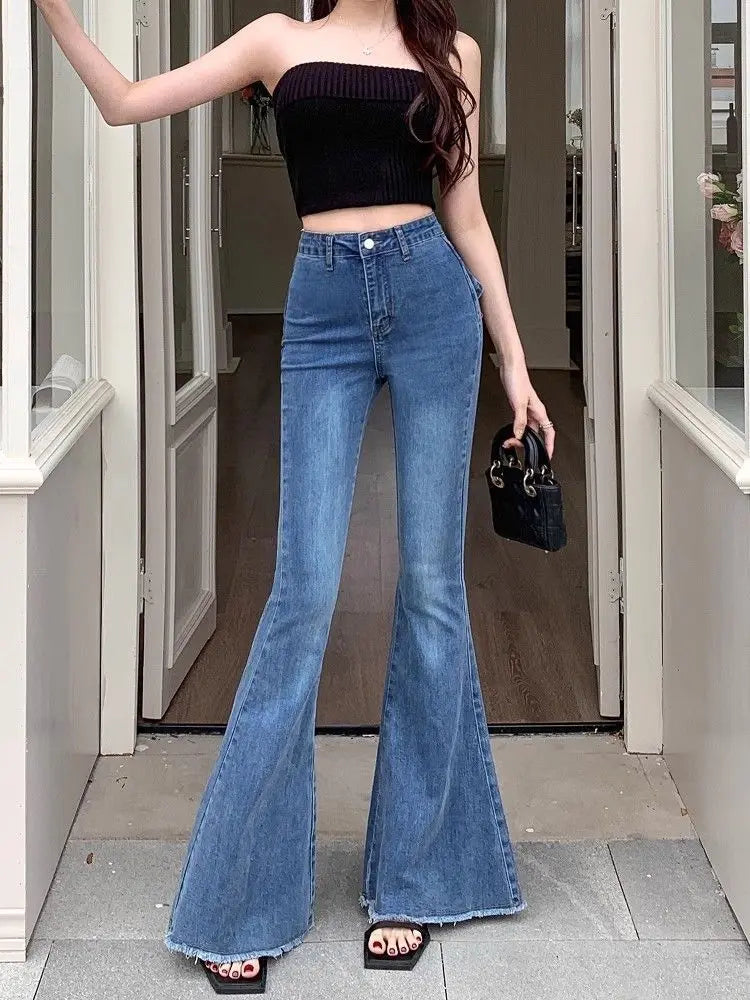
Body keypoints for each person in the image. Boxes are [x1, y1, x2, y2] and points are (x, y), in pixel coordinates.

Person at [36, 0, 555, 992]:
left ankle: (416, 875)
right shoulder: (279, 40)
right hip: (322, 303)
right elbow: (124, 103)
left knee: (435, 588)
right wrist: (57, 15)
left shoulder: (452, 50)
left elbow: (469, 211)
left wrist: (518, 362)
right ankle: (242, 893)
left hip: (433, 301)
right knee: (303, 594)